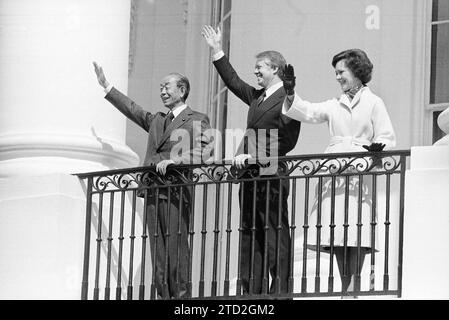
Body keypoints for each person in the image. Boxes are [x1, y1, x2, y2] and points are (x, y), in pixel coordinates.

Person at [93, 62, 213, 299]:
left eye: (166, 87)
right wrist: (107, 86)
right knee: (158, 250)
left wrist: (177, 161)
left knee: (176, 246)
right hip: (152, 190)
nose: (162, 92)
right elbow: (133, 110)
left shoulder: (197, 118)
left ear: (182, 90)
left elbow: (206, 150)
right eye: (160, 87)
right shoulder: (158, 120)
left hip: (177, 191)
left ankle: (181, 297)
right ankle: (163, 295)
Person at [281, 49, 396, 294]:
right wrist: (290, 91)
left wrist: (375, 152)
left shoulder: (374, 102)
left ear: (356, 71)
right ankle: (345, 290)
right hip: (333, 176)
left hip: (358, 176)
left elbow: (386, 137)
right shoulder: (334, 105)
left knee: (356, 235)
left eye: (341, 71)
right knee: (337, 236)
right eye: (336, 72)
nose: (337, 77)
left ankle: (352, 289)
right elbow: (308, 111)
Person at [201, 25, 301, 295]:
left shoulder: (288, 97)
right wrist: (217, 50)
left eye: (260, 67)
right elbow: (233, 81)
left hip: (270, 172)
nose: (255, 71)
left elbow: (288, 140)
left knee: (273, 233)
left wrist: (254, 156)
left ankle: (280, 291)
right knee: (250, 232)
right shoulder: (257, 97)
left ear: (276, 69)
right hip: (248, 175)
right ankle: (251, 291)